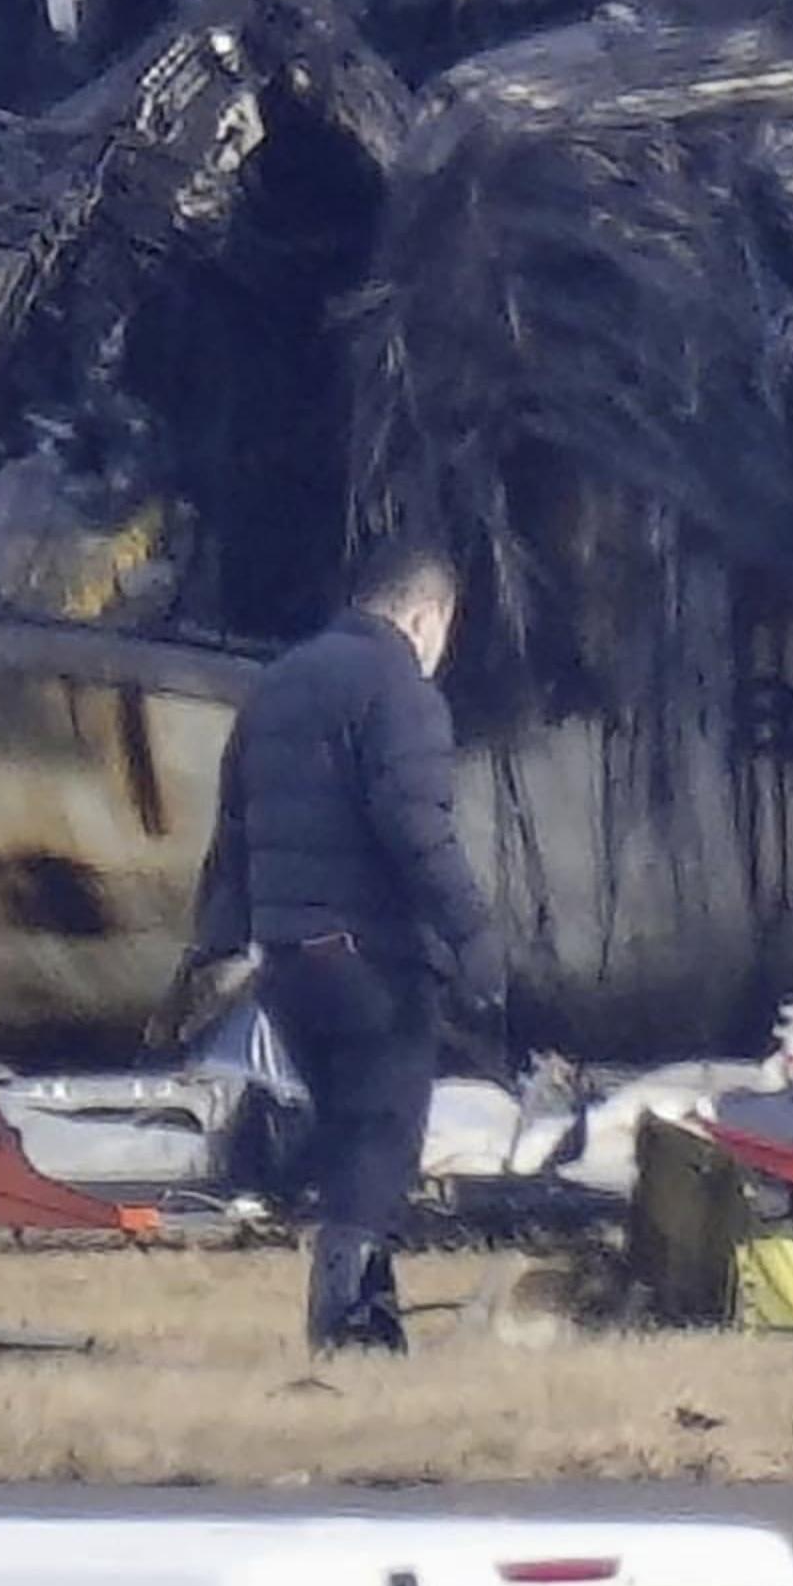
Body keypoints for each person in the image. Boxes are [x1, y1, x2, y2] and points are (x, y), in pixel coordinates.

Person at [191, 541, 486, 1354]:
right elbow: (416, 827)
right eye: (443, 629)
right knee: (384, 1136)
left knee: (353, 1138)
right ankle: (345, 1324)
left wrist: (215, 944)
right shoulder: (401, 692)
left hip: (287, 958)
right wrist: (474, 936)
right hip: (371, 955)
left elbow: (234, 832)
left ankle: (373, 1323)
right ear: (424, 615)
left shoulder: (275, 685)